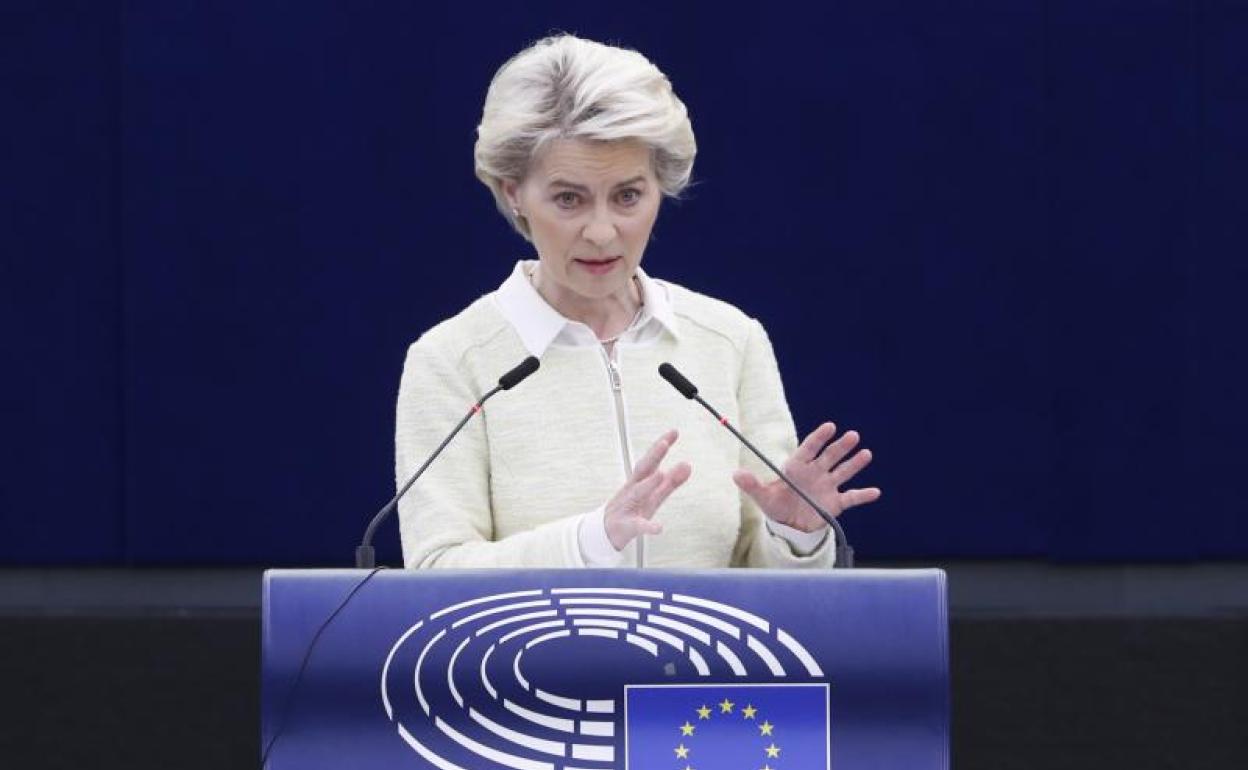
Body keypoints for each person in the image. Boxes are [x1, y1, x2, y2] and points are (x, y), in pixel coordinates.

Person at [396, 34, 879, 569]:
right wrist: (589, 541)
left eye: (628, 196)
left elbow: (764, 583)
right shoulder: (451, 361)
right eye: (569, 199)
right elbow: (436, 571)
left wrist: (793, 535)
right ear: (514, 193)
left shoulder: (731, 341)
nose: (602, 232)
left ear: (659, 188)